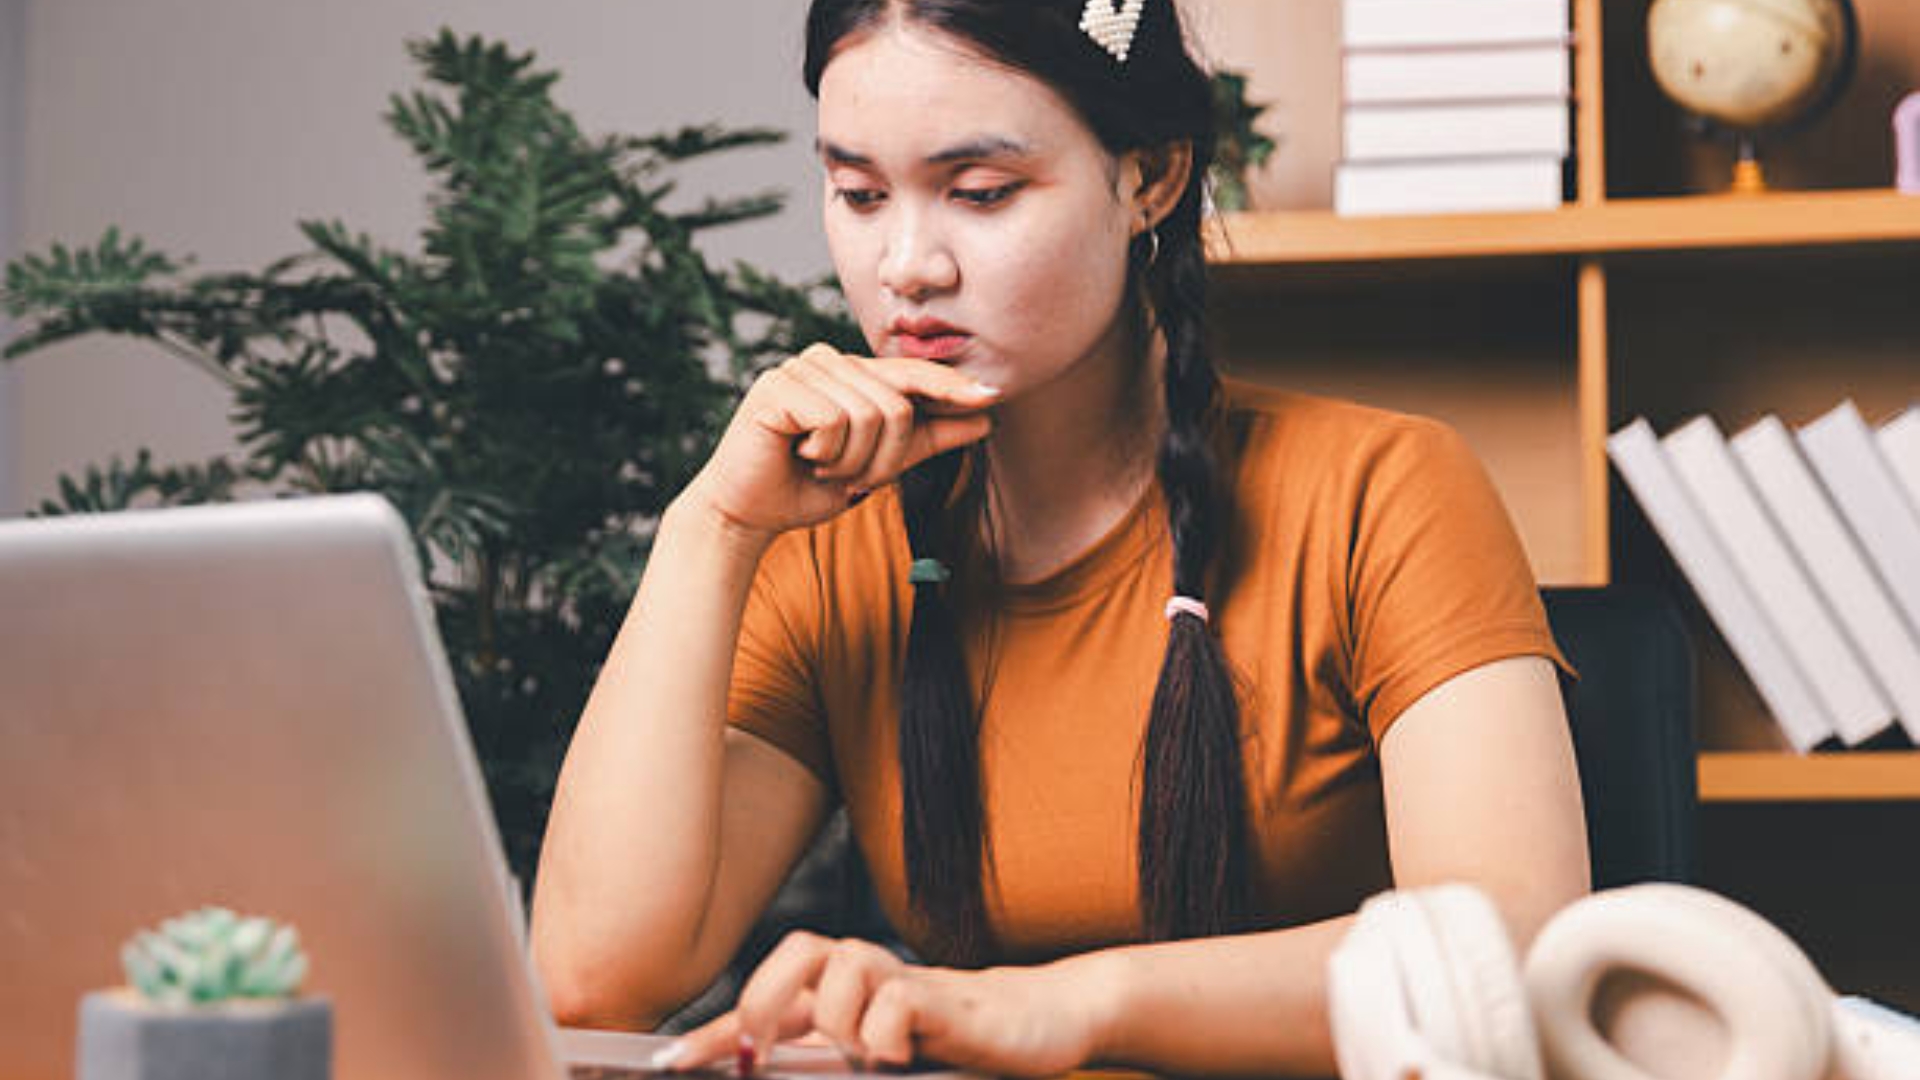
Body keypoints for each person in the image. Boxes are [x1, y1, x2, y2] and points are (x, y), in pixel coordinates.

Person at [529, 0, 1591, 1075]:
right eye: (856, 193)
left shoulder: (1383, 492)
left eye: (981, 193)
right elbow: (597, 981)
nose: (906, 267)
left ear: (1150, 180)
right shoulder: (834, 550)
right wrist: (711, 528)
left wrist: (1070, 1005)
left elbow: (1516, 942)